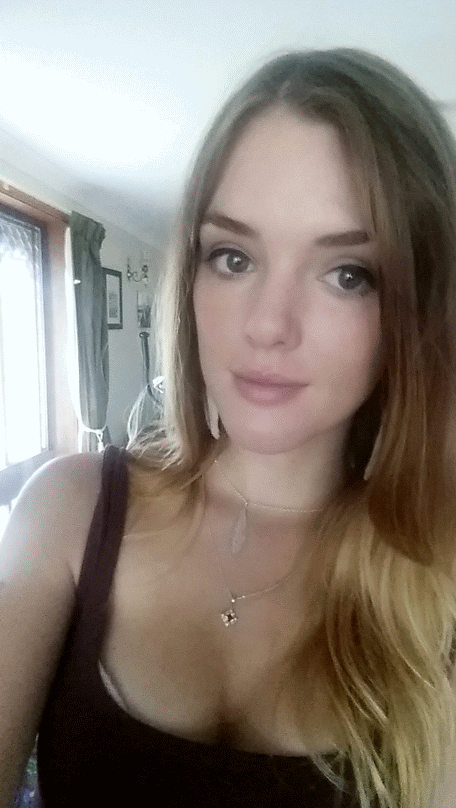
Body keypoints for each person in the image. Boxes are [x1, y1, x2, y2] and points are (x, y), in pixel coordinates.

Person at [2, 47, 456, 808]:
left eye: (348, 274)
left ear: (416, 312)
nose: (268, 325)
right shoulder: (69, 510)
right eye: (233, 257)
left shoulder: (438, 576)